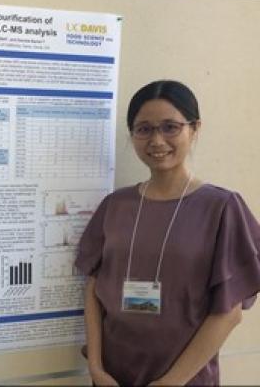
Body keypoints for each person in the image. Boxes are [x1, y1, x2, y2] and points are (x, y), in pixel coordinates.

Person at [77, 80, 260, 385]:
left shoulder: (222, 207)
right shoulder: (115, 205)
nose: (157, 141)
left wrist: (171, 382)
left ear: (195, 128)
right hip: (113, 376)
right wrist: (96, 368)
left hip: (185, 379)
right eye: (144, 129)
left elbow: (229, 313)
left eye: (170, 127)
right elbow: (93, 292)